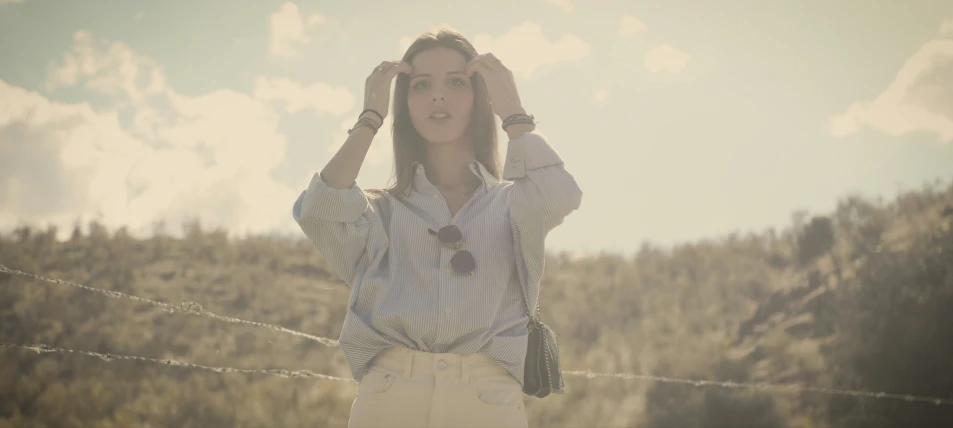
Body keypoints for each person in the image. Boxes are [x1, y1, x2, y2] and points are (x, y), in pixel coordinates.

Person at [292, 27, 582, 428]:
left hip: (488, 398)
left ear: (480, 98)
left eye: (456, 82)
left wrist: (513, 111)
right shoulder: (380, 212)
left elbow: (560, 195)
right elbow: (318, 212)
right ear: (405, 103)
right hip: (390, 395)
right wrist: (369, 119)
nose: (438, 95)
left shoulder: (513, 203)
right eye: (421, 84)